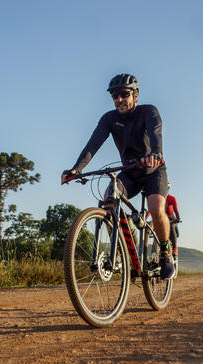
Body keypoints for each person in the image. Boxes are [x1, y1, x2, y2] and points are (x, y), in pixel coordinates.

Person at [61, 73, 175, 280]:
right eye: (114, 96)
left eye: (124, 94)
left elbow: (156, 134)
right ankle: (126, 243)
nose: (119, 99)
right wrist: (76, 169)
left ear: (136, 95)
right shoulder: (109, 119)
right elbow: (93, 144)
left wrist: (156, 154)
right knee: (109, 199)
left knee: (156, 208)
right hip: (129, 172)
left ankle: (166, 253)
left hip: (153, 170)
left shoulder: (149, 111)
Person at [165, 183, 181, 261]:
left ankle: (175, 249)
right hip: (163, 219)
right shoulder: (159, 198)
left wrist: (178, 218)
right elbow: (151, 211)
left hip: (172, 219)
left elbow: (175, 209)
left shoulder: (171, 198)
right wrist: (145, 218)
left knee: (173, 230)